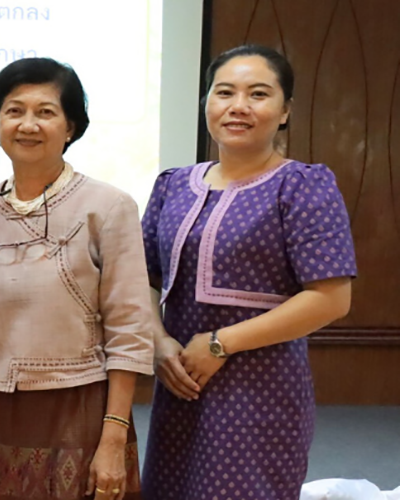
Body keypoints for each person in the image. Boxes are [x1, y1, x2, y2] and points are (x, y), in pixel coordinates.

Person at [140, 44, 356, 500]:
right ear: (206, 103)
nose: (238, 106)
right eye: (224, 92)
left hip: (262, 390)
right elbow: (142, 280)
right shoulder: (173, 185)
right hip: (180, 381)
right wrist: (158, 343)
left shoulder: (303, 186)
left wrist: (220, 344)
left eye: (258, 94)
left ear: (285, 111)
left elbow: (332, 298)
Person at [0, 58, 154, 500]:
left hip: (81, 410)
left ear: (70, 126)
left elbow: (130, 332)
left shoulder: (109, 207)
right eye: (14, 110)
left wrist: (113, 438)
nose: (28, 124)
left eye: (45, 112)